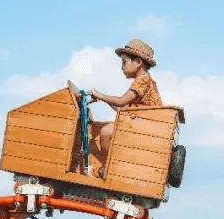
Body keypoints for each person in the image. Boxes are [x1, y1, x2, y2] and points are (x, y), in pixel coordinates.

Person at [67, 38, 163, 177]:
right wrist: (102, 99)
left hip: (144, 129)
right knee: (95, 127)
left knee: (106, 132)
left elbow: (121, 102)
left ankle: (107, 170)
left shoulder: (143, 81)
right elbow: (123, 110)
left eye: (124, 62)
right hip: (139, 125)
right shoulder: (144, 81)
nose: (121, 67)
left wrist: (100, 94)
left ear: (138, 62)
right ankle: (88, 163)